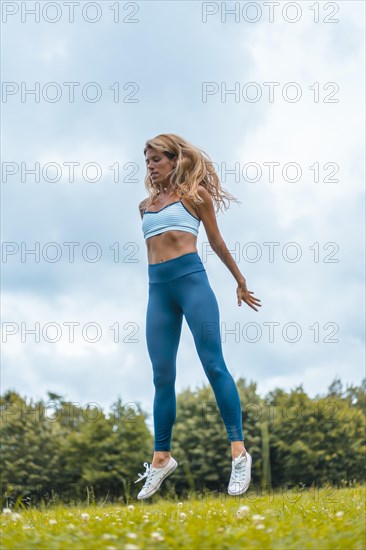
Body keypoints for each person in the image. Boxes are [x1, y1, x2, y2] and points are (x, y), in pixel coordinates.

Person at [134, 134, 261, 500]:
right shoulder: (144, 206)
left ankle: (239, 452)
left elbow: (217, 242)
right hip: (158, 292)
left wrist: (239, 280)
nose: (151, 166)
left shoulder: (195, 197)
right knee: (162, 375)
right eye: (147, 161)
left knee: (214, 365)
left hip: (192, 285)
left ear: (174, 160)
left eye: (157, 159)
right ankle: (161, 459)